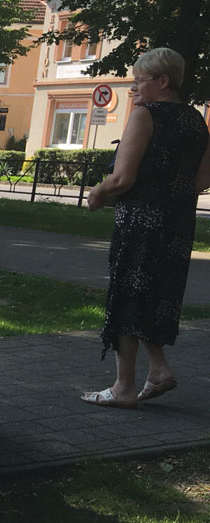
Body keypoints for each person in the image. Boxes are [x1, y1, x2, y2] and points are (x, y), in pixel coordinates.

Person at [81, 47, 210, 409]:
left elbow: (122, 178)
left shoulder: (144, 115)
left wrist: (98, 193)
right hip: (178, 224)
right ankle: (158, 369)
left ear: (163, 81)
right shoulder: (196, 120)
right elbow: (203, 179)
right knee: (156, 295)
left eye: (140, 80)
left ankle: (124, 387)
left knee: (127, 296)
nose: (133, 87)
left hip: (141, 222)